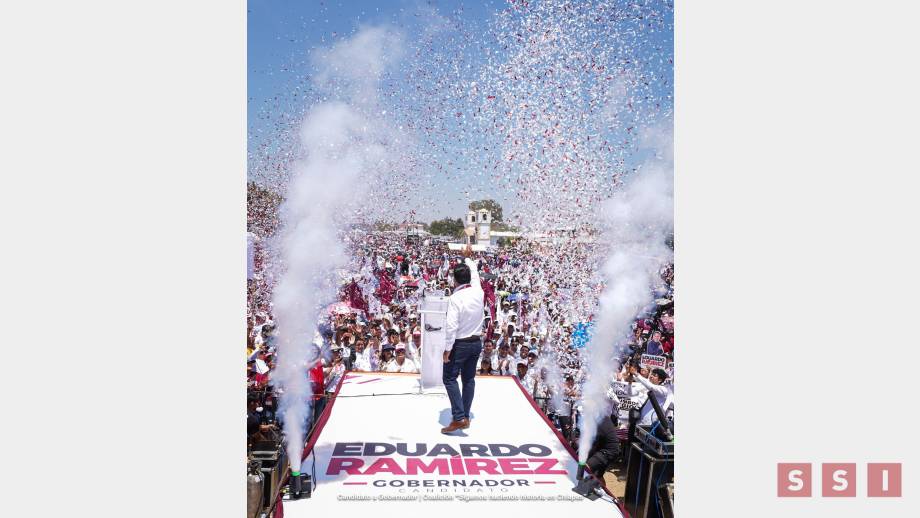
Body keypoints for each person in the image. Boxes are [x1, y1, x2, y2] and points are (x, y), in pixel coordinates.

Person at [440, 244, 484, 434]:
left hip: (460, 345)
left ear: (455, 280)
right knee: (469, 380)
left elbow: (451, 327)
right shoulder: (478, 291)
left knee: (449, 378)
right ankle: (465, 415)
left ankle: (458, 418)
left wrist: (447, 349)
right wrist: (468, 258)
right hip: (476, 343)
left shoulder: (456, 299)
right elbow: (474, 273)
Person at [585, 413, 620, 480]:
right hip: (599, 450)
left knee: (587, 471)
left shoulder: (601, 420)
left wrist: (589, 462)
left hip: (606, 452)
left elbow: (613, 449)